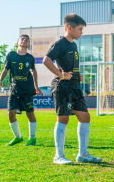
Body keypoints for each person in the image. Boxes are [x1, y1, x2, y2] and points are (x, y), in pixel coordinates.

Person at [43, 13, 102, 165]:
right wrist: (61, 75)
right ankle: (59, 156)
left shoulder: (73, 45)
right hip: (62, 87)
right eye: (80, 29)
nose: (82, 32)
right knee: (63, 119)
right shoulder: (60, 43)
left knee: (85, 117)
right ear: (69, 28)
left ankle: (82, 154)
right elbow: (46, 60)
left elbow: (68, 65)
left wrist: (77, 74)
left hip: (75, 86)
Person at [0, 34, 41, 146]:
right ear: (17, 43)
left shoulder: (30, 58)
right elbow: (5, 69)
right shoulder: (11, 55)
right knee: (11, 114)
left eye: (26, 40)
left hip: (27, 90)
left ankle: (32, 138)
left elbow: (34, 71)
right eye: (22, 39)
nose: (24, 40)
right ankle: (18, 137)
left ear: (29, 45)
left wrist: (36, 86)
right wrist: (0, 81)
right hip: (14, 90)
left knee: (30, 114)